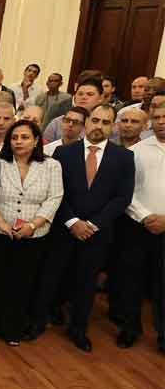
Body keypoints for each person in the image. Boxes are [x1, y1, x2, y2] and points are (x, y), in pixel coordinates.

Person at [29, 104, 135, 352]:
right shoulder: (64, 154)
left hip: (97, 233)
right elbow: (55, 192)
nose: (99, 126)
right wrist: (72, 221)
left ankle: (78, 329)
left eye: (106, 122)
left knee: (87, 284)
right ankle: (37, 322)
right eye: (95, 120)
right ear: (85, 123)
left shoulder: (124, 157)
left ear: (114, 127)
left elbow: (122, 198)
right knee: (50, 277)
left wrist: (93, 224)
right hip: (63, 229)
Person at [0, 119, 63, 346]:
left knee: (21, 283)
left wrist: (32, 225)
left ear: (36, 141)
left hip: (33, 235)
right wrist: (1, 224)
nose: (19, 141)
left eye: (24, 137)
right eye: (14, 137)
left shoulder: (52, 166)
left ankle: (12, 329)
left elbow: (54, 198)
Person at [120, 98, 165, 352]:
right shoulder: (137, 151)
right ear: (149, 122)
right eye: (157, 118)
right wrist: (146, 216)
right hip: (139, 226)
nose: (162, 123)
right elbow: (128, 191)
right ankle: (130, 328)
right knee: (132, 279)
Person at [43, 77, 103, 142]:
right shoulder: (58, 122)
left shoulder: (104, 124)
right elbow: (45, 148)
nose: (84, 97)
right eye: (80, 94)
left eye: (90, 94)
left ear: (100, 98)